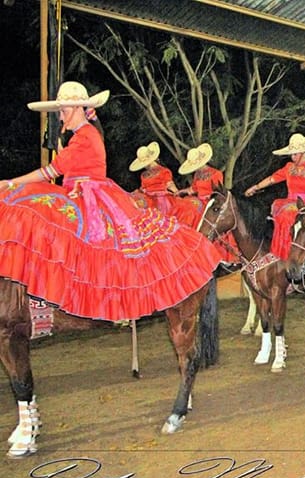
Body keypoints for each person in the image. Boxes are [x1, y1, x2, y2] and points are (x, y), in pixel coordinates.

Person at [0, 81, 222, 321]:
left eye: (63, 111)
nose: (61, 117)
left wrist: (12, 182)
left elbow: (51, 171)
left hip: (90, 195)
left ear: (76, 109)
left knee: (32, 208)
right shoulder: (82, 136)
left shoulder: (85, 136)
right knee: (46, 219)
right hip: (79, 193)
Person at [175, 143, 238, 263]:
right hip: (199, 199)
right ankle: (186, 238)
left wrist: (206, 198)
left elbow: (217, 193)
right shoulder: (197, 174)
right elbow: (193, 189)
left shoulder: (216, 173)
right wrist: (181, 191)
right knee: (183, 203)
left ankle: (202, 243)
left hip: (211, 202)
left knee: (192, 207)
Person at [128, 140, 187, 219]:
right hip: (159, 199)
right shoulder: (164, 170)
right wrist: (177, 193)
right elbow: (170, 185)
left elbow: (143, 188)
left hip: (154, 199)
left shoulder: (145, 175)